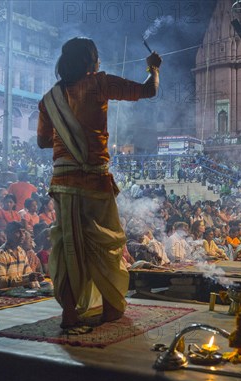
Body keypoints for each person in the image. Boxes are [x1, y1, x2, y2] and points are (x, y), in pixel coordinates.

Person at [37, 37, 161, 330]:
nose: (100, 62)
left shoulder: (49, 99)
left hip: (63, 183)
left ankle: (70, 312)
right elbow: (148, 90)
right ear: (90, 63)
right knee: (105, 243)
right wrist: (153, 68)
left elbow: (43, 141)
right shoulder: (99, 83)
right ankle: (109, 308)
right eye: (97, 57)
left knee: (69, 244)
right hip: (95, 181)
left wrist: (66, 131)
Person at [0, 221, 42, 291]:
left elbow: (28, 273)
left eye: (23, 232)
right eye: (18, 232)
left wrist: (35, 280)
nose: (22, 235)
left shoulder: (21, 251)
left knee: (47, 286)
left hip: (18, 288)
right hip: (2, 291)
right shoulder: (1, 254)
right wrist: (27, 278)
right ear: (8, 234)